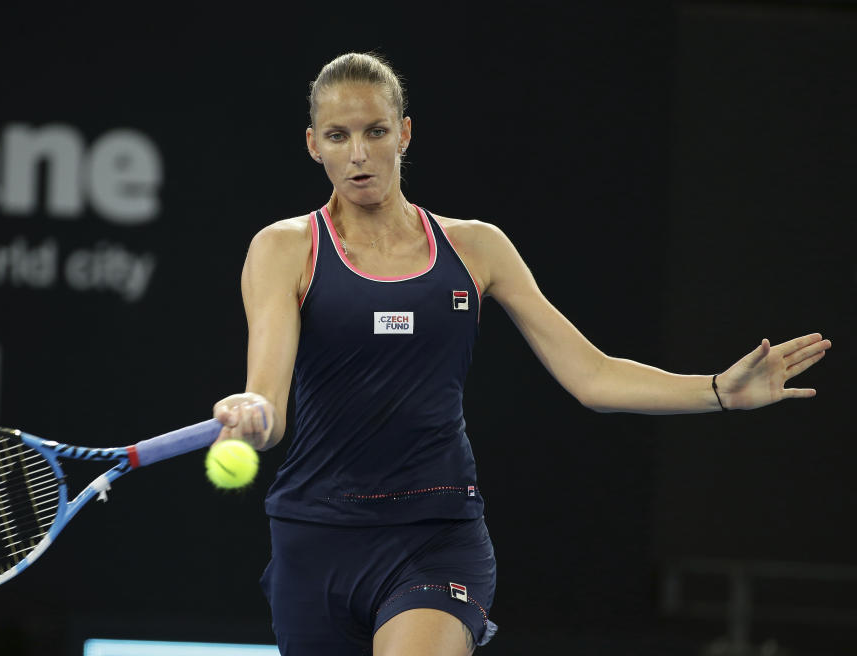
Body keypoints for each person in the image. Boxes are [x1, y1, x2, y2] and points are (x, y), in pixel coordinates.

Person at [211, 52, 831, 656]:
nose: (359, 153)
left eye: (375, 131)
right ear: (314, 144)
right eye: (338, 135)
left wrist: (718, 390)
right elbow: (268, 404)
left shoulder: (477, 248)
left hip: (437, 535)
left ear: (404, 133)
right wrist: (250, 415)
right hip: (317, 539)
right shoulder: (285, 249)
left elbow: (591, 375)